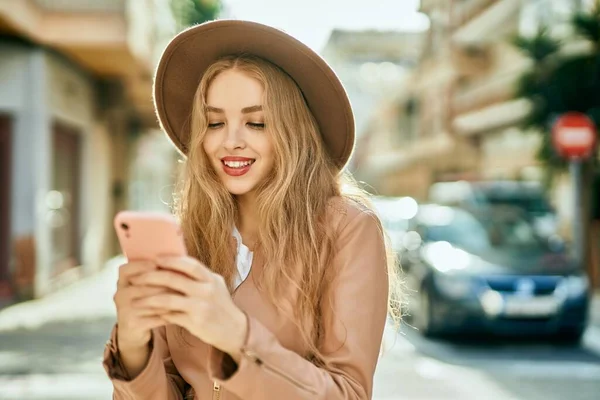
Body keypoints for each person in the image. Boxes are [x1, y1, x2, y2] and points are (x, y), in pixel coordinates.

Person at [103, 20, 402, 400]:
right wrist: (132, 344)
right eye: (214, 123)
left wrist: (236, 336)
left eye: (256, 122)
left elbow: (349, 393)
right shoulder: (188, 238)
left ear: (293, 130)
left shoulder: (348, 229)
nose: (230, 141)